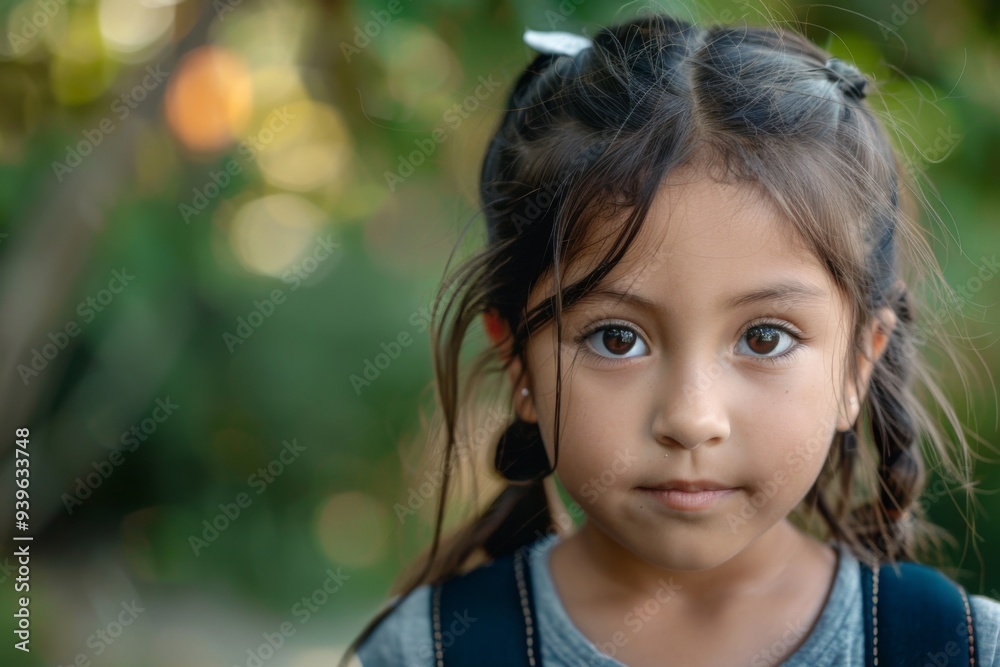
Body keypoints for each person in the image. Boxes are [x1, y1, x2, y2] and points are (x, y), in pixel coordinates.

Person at [341, 10, 1000, 667]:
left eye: (765, 338)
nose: (691, 418)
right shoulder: (430, 651)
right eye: (617, 339)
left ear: (858, 364)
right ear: (518, 361)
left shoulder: (959, 647)